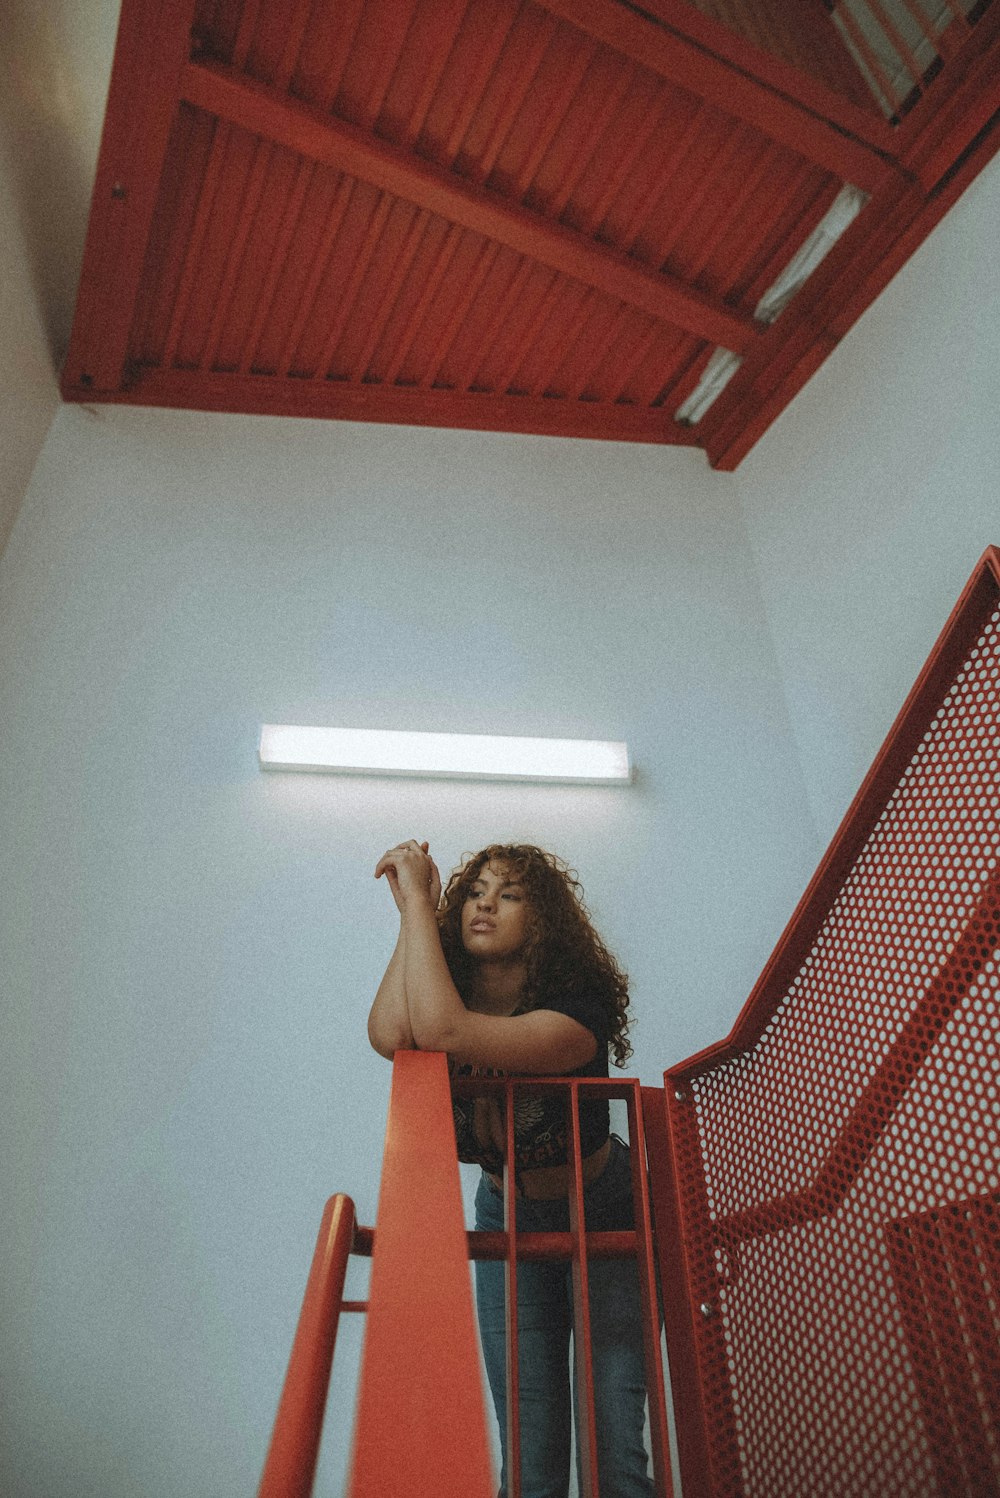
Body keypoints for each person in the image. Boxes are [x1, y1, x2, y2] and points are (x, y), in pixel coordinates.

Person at [368, 839, 653, 1498]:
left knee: (613, 1445)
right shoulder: (452, 997)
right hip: (506, 1216)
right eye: (475, 892)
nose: (485, 904)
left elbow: (444, 1034)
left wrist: (420, 904)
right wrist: (419, 914)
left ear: (544, 922)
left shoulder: (579, 1011)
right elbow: (391, 1036)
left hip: (604, 1209)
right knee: (529, 1458)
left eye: (509, 894)